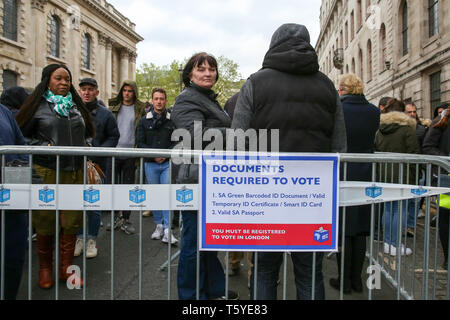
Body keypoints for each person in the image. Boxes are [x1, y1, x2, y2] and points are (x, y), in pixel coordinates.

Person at [232, 23, 347, 300]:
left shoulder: (256, 83)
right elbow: (340, 145)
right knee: (309, 273)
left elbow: (238, 141)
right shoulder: (327, 86)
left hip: (266, 195)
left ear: (273, 44)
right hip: (312, 196)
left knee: (263, 270)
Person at [15, 64, 95, 289]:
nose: (63, 83)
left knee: (71, 222)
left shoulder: (76, 108)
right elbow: (20, 137)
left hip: (75, 171)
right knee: (45, 221)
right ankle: (45, 269)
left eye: (67, 80)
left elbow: (88, 134)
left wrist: (86, 146)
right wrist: (45, 146)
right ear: (47, 81)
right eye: (58, 79)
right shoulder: (36, 107)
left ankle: (66, 269)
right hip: (46, 171)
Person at [171, 52, 238, 300]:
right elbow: (196, 136)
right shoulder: (187, 99)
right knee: (193, 244)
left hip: (211, 178)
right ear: (190, 74)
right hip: (194, 179)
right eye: (201, 69)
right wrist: (238, 135)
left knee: (209, 240)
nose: (207, 73)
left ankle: (214, 290)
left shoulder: (207, 99)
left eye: (211, 69)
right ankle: (191, 297)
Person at [329, 74, 380, 294]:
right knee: (360, 230)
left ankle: (344, 281)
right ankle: (357, 281)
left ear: (341, 90)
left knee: (345, 229)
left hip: (343, 171)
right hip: (366, 172)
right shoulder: (374, 111)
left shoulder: (338, 110)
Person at [74, 77, 120, 258]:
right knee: (76, 203)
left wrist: (100, 151)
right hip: (75, 164)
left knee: (93, 203)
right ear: (79, 92)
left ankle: (91, 239)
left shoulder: (105, 114)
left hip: (96, 165)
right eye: (83, 89)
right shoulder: (72, 110)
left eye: (90, 89)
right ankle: (79, 237)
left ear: (97, 92)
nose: (86, 92)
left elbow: (114, 136)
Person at [375, 98, 420, 256]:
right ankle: (395, 244)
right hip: (403, 176)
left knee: (388, 209)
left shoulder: (380, 129)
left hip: (384, 175)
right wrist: (415, 178)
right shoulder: (407, 130)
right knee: (400, 210)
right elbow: (414, 154)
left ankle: (388, 243)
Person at [136, 88, 177, 244]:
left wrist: (165, 154)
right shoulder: (143, 121)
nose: (159, 101)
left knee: (166, 195)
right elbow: (140, 142)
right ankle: (158, 225)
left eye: (162, 99)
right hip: (150, 164)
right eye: (156, 99)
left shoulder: (172, 120)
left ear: (166, 101)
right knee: (155, 195)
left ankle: (168, 229)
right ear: (152, 101)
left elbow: (176, 141)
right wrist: (153, 155)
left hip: (167, 163)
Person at [107, 80, 146, 234]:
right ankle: (116, 216)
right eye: (124, 90)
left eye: (130, 91)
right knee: (113, 186)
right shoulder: (113, 108)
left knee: (128, 186)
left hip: (131, 153)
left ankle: (126, 218)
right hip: (114, 152)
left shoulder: (140, 109)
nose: (127, 93)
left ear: (134, 92)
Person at [0, 103, 28, 299]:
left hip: (11, 205)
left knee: (12, 261)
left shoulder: (3, 112)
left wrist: (21, 191)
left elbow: (21, 150)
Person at [422, 104, 450, 270]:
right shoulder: (442, 120)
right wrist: (447, 159)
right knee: (446, 219)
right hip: (447, 179)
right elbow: (428, 147)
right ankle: (448, 257)